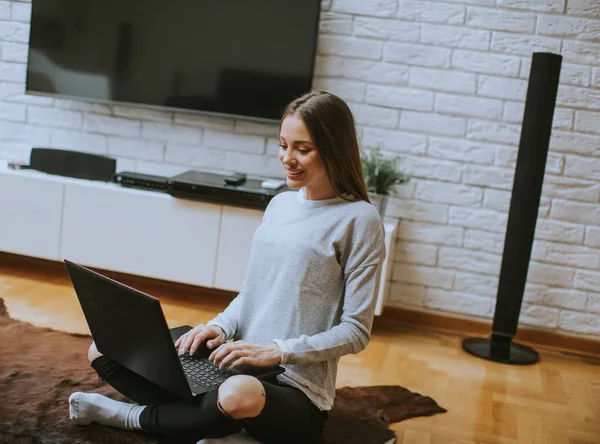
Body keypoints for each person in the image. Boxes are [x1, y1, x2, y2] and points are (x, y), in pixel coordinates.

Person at [67, 91, 386, 444]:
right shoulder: (280, 204)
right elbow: (253, 293)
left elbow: (356, 331)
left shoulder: (360, 219)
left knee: (238, 395)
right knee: (104, 348)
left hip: (291, 387)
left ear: (334, 148)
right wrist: (218, 326)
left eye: (302, 149)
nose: (287, 158)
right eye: (283, 145)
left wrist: (278, 351)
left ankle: (132, 416)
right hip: (233, 361)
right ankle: (219, 425)